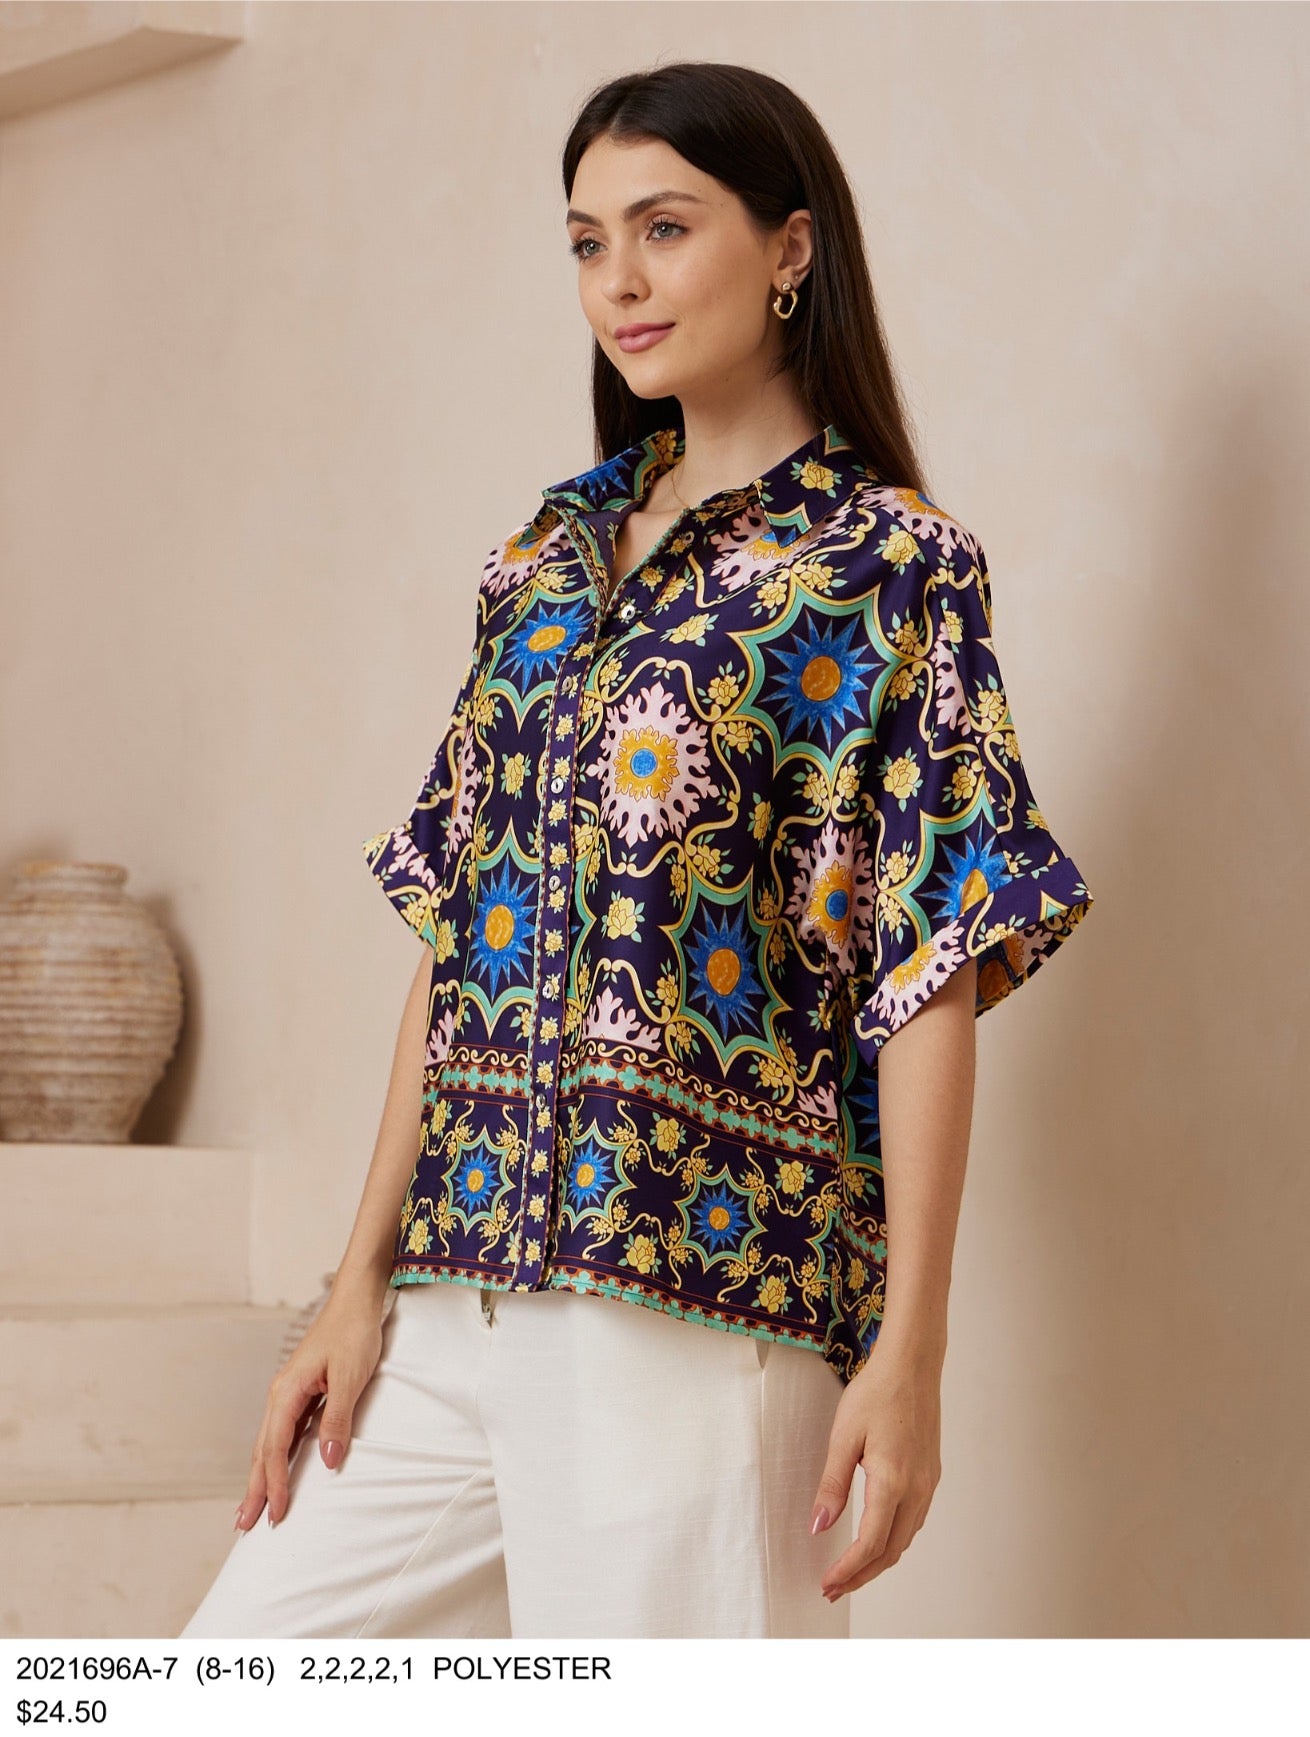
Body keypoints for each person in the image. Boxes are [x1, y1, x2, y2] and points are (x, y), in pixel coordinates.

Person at [179, 60, 1093, 1642]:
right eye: (587, 241)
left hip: (696, 1310)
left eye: (663, 229)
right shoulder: (543, 559)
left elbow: (927, 964)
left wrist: (910, 1348)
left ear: (789, 247)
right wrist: (355, 1278)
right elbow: (458, 935)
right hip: (456, 1288)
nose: (619, 280)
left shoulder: (884, 565)